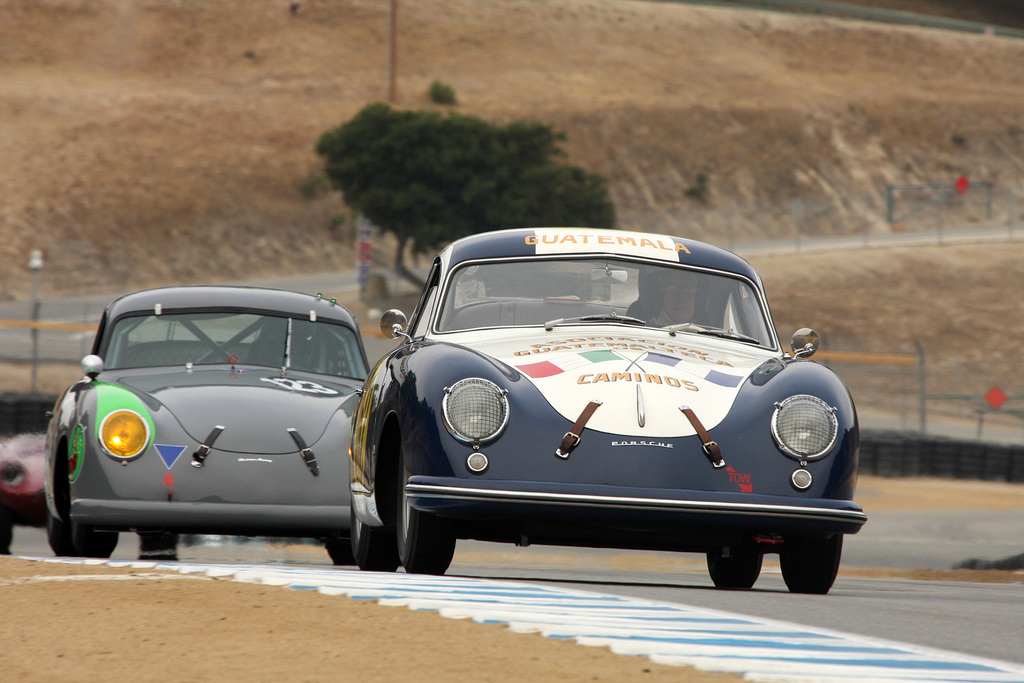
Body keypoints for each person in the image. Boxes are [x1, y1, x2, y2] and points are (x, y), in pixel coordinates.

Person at [627, 268, 700, 326]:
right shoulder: (639, 328)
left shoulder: (709, 332)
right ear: (657, 295)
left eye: (689, 289)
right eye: (671, 288)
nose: (682, 296)